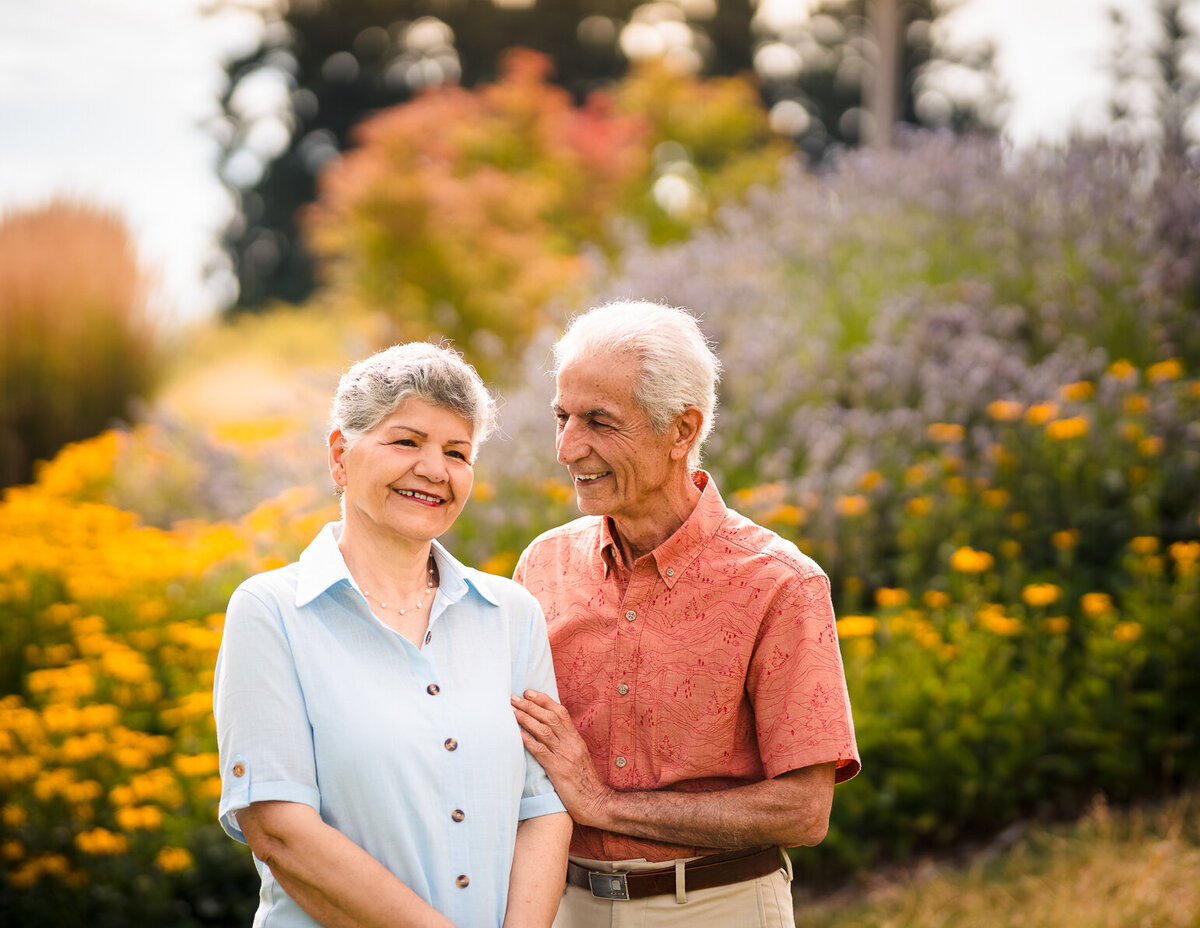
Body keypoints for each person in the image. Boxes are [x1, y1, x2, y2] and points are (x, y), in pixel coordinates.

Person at [510, 301, 860, 927]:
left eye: (598, 421)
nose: (567, 448)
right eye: (562, 417)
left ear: (680, 430)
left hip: (717, 908)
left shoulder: (779, 584)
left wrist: (605, 805)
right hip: (563, 909)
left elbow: (803, 812)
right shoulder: (543, 567)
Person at [214, 342, 572, 928]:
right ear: (339, 456)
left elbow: (543, 808)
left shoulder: (511, 613)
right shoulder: (270, 612)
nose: (434, 470)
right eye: (406, 442)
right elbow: (278, 828)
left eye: (457, 452)